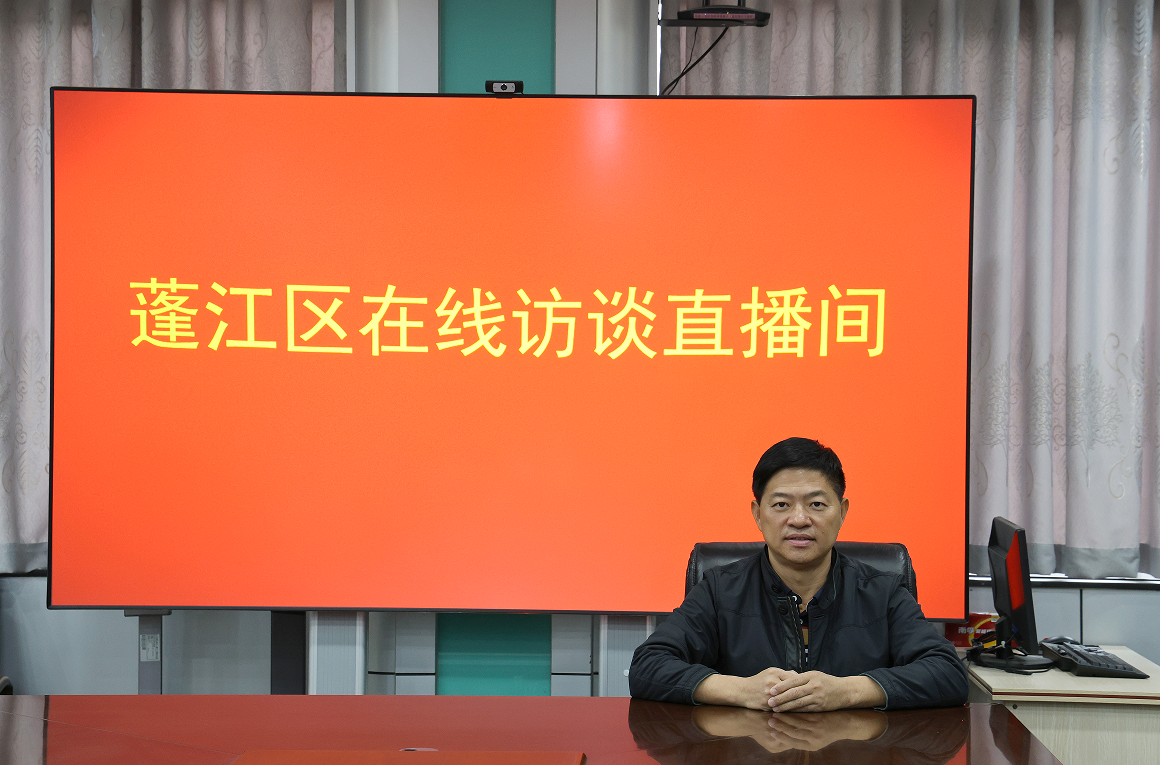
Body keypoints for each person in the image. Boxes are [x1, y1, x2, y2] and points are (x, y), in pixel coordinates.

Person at [629, 437, 968, 711]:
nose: (799, 519)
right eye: (781, 505)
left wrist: (848, 691)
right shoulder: (720, 590)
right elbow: (648, 666)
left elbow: (948, 673)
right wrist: (741, 690)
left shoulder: (883, 592)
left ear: (842, 512)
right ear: (758, 514)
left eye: (817, 504)